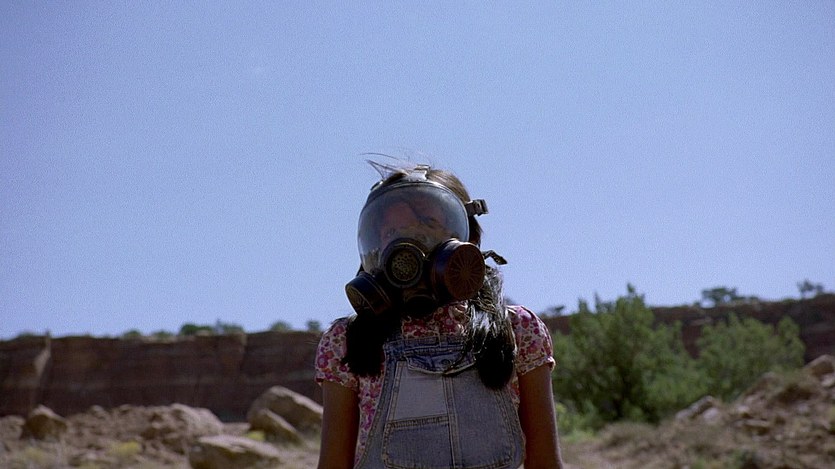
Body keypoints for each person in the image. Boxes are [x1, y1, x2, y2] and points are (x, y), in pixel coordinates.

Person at [316, 162, 564, 469]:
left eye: (428, 227)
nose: (409, 248)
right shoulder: (347, 341)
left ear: (468, 242)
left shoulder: (518, 331)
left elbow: (545, 463)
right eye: (392, 232)